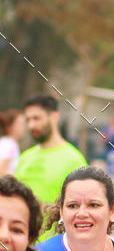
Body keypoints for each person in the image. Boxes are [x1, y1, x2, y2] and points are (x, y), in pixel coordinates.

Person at [15, 95, 87, 239]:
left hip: (56, 250)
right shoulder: (25, 157)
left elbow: (83, 211)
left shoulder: (74, 160)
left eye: (37, 118)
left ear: (54, 117)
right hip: (22, 249)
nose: (31, 125)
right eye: (28, 120)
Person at [0, 111, 25, 176]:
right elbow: (1, 170)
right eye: (19, 124)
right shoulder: (8, 144)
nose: (23, 127)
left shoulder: (9, 142)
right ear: (10, 126)